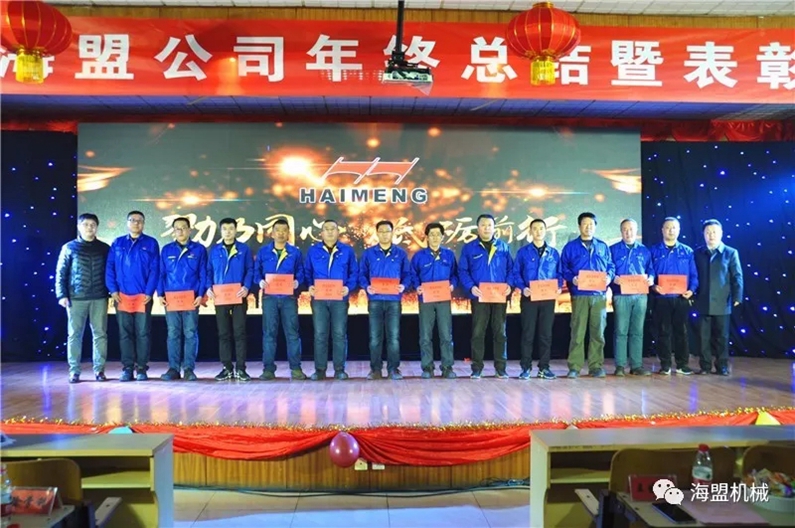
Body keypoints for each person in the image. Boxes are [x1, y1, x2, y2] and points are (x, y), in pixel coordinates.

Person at [56, 213, 110, 383]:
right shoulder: (69, 247)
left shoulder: (104, 248)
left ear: (97, 227)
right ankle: (74, 371)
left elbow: (110, 272)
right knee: (74, 335)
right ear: (79, 227)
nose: (89, 227)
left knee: (100, 334)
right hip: (76, 298)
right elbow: (61, 273)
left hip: (99, 297)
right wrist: (61, 295)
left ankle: (99, 370)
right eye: (86, 224)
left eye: (92, 224)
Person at [106, 210, 160, 382]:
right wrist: (113, 290)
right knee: (125, 334)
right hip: (122, 296)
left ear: (143, 224)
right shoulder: (118, 242)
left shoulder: (151, 243)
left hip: (142, 297)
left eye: (139, 220)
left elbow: (155, 269)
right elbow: (110, 267)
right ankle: (127, 368)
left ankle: (142, 368)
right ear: (127, 222)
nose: (136, 223)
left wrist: (149, 291)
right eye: (133, 220)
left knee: (143, 333)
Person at [560, 212, 615, 379]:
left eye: (591, 224)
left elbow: (611, 266)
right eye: (585, 224)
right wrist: (573, 279)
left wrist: (609, 277)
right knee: (577, 333)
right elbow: (564, 269)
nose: (588, 227)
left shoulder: (603, 246)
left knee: (598, 333)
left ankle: (596, 366)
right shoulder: (570, 247)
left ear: (595, 227)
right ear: (579, 226)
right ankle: (574, 367)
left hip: (599, 296)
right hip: (579, 295)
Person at [458, 214, 513, 379]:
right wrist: (471, 287)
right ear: (478, 228)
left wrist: (509, 285)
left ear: (494, 228)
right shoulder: (469, 248)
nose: (487, 228)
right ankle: (477, 368)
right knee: (478, 333)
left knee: (500, 333)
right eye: (483, 225)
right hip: (479, 296)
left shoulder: (503, 247)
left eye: (489, 225)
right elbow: (463, 271)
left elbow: (511, 269)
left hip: (499, 296)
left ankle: (501, 368)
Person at [304, 219, 358, 381]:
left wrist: (348, 287)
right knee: (320, 334)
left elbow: (354, 272)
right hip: (319, 299)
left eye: (333, 228)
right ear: (321, 233)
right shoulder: (313, 251)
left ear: (338, 232)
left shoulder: (347, 251)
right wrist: (309, 286)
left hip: (339, 298)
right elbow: (307, 272)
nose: (329, 231)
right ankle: (320, 370)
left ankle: (339, 369)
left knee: (339, 334)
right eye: (326, 229)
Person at [360, 220, 413, 381]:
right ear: (377, 233)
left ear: (392, 233)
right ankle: (375, 370)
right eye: (381, 231)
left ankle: (393, 369)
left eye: (387, 231)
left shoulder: (400, 253)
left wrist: (404, 285)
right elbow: (361, 274)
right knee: (375, 338)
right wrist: (366, 286)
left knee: (394, 337)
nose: (384, 234)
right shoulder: (369, 253)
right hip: (375, 300)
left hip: (393, 301)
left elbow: (407, 274)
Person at [255, 218, 307, 381]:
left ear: (288, 233)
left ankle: (296, 368)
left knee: (292, 334)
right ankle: (268, 369)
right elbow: (256, 272)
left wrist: (297, 281)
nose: (281, 233)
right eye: (278, 230)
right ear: (272, 233)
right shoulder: (263, 251)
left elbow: (301, 272)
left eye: (284, 230)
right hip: (269, 298)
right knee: (269, 334)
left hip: (289, 298)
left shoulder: (295, 252)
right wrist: (259, 281)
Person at [510, 218, 561, 380]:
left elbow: (559, 274)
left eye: (541, 228)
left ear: (546, 231)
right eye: (535, 229)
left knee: (546, 334)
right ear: (530, 231)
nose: (538, 231)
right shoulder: (523, 252)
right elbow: (516, 273)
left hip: (548, 298)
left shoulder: (553, 253)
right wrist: (523, 287)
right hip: (529, 297)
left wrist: (559, 286)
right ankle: (526, 368)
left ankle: (544, 367)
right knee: (528, 334)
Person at [158, 217, 208, 381]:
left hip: (191, 298)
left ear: (190, 230)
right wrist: (160, 294)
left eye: (183, 228)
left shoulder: (199, 249)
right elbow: (161, 274)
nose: (180, 231)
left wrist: (200, 294)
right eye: (177, 228)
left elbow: (203, 274)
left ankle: (188, 369)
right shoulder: (166, 250)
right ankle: (173, 369)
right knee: (173, 333)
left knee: (190, 333)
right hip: (171, 298)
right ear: (173, 231)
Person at [649, 217, 699, 376]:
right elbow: (649, 272)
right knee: (663, 332)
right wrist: (653, 286)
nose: (671, 230)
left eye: (674, 228)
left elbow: (694, 275)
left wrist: (691, 290)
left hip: (681, 298)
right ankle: (665, 365)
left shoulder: (687, 251)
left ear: (679, 230)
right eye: (668, 228)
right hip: (661, 298)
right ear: (662, 230)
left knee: (681, 332)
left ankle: (682, 364)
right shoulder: (653, 251)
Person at [693, 219, 743, 376]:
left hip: (722, 300)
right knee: (703, 337)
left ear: (721, 233)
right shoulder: (697, 253)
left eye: (714, 232)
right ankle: (705, 366)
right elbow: (693, 275)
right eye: (708, 232)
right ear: (703, 234)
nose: (711, 235)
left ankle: (722, 366)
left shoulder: (730, 252)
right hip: (702, 300)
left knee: (722, 337)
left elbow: (737, 276)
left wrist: (737, 296)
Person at [207, 218, 253, 382]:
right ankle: (226, 368)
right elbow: (209, 271)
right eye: (225, 229)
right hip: (220, 297)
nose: (228, 231)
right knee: (223, 334)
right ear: (221, 231)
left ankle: (241, 368)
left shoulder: (244, 249)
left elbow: (250, 269)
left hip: (239, 296)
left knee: (240, 333)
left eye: (231, 228)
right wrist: (208, 287)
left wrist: (246, 287)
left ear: (236, 230)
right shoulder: (214, 250)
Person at [411, 222, 458, 379]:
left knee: (446, 335)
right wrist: (417, 286)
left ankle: (447, 367)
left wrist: (452, 284)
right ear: (427, 237)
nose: (435, 237)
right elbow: (413, 274)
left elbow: (455, 274)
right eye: (432, 234)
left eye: (438, 234)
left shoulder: (449, 255)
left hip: (444, 299)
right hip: (426, 299)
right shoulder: (419, 256)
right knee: (425, 335)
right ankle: (427, 368)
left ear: (442, 237)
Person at [609, 218, 654, 377]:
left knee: (637, 331)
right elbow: (608, 269)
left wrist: (651, 278)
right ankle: (620, 366)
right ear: (621, 231)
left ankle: (636, 366)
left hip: (640, 295)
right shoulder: (612, 250)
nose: (628, 233)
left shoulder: (644, 250)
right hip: (621, 295)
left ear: (636, 231)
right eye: (625, 229)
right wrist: (614, 277)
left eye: (631, 229)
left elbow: (650, 269)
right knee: (621, 331)